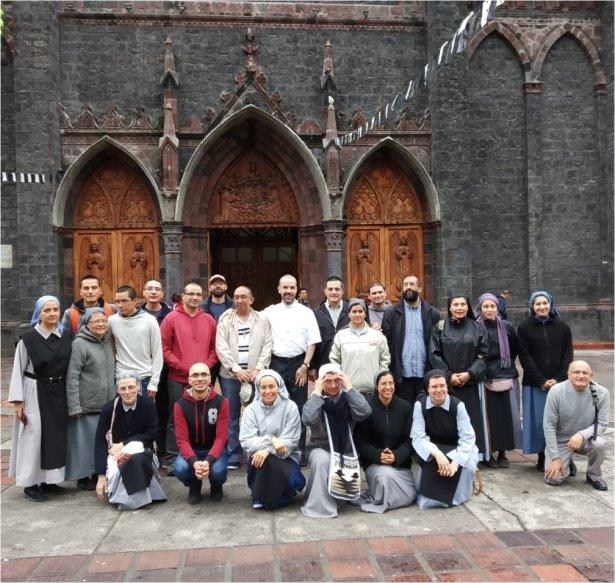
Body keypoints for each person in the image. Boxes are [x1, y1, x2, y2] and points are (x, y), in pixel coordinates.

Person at [9, 296, 72, 502]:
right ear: (39, 313)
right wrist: (18, 402)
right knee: (33, 436)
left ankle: (49, 480)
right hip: (34, 391)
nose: (52, 313)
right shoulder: (27, 339)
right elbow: (18, 369)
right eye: (47, 310)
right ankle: (30, 483)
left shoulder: (65, 336)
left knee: (55, 437)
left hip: (58, 391)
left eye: (55, 309)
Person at [301, 364, 371, 518]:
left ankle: (338, 498)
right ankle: (321, 506)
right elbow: (308, 419)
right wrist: (317, 392)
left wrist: (349, 387)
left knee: (340, 466)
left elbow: (365, 412)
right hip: (320, 447)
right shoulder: (316, 399)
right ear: (321, 382)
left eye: (336, 380)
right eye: (328, 381)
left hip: (344, 449)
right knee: (322, 460)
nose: (333, 385)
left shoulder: (347, 398)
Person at [161, 281, 217, 467]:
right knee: (175, 417)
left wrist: (204, 369)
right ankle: (172, 458)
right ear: (183, 296)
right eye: (190, 294)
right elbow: (164, 348)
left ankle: (201, 455)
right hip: (178, 378)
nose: (194, 297)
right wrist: (184, 369)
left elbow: (214, 349)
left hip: (202, 379)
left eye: (198, 294)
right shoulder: (170, 318)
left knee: (203, 417)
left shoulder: (209, 319)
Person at [216, 286, 273, 470]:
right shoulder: (226, 319)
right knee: (231, 415)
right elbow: (221, 346)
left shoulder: (262, 319)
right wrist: (236, 370)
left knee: (258, 414)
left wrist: (258, 369)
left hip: (256, 375)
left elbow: (268, 345)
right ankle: (234, 454)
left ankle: (256, 451)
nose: (239, 300)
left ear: (251, 299)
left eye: (243, 297)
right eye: (236, 297)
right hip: (230, 376)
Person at [264, 274, 321, 454]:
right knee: (275, 407)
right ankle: (277, 449)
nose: (288, 291)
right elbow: (251, 319)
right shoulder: (270, 312)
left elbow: (312, 342)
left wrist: (305, 366)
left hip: (298, 365)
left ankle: (298, 451)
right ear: (279, 289)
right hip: (276, 364)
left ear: (296, 289)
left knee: (298, 408)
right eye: (285, 287)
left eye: (292, 287)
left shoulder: (306, 312)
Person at [94, 371, 166, 510]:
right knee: (125, 462)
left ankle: (131, 500)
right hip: (116, 456)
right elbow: (100, 443)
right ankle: (137, 498)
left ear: (138, 387)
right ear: (117, 390)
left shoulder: (148, 405)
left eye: (131, 387)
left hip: (144, 454)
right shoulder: (109, 409)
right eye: (123, 388)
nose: (127, 392)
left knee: (135, 460)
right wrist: (101, 476)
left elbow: (152, 434)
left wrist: (124, 444)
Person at [517, 290, 573, 471]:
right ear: (532, 307)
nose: (541, 307)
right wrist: (541, 380)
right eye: (537, 304)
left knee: (562, 421)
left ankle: (567, 457)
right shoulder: (524, 328)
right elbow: (525, 357)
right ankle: (542, 455)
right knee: (540, 421)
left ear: (551, 304)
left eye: (545, 303)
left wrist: (558, 378)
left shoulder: (563, 327)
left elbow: (568, 355)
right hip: (535, 384)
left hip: (560, 383)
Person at [429, 295, 489, 460]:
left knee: (471, 420)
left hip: (470, 383)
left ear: (468, 307)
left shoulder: (477, 327)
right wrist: (448, 376)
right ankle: (448, 454)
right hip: (447, 384)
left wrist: (470, 373)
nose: (459, 308)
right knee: (448, 421)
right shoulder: (439, 327)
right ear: (449, 308)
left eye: (463, 304)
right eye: (456, 304)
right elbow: (434, 354)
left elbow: (484, 354)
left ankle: (473, 455)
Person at [411, 370, 478, 509]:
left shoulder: (458, 405)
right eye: (434, 386)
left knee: (469, 463)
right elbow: (418, 436)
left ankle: (458, 496)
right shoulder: (420, 405)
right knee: (430, 463)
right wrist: (438, 455)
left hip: (457, 448)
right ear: (427, 388)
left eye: (442, 386)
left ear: (447, 386)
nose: (439, 390)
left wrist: (455, 463)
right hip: (432, 448)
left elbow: (467, 438)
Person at [239, 369, 306, 509]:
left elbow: (291, 440)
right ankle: (259, 495)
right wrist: (271, 440)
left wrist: (267, 450)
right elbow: (246, 440)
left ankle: (271, 496)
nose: (268, 391)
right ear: (258, 389)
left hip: (286, 456)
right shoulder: (250, 410)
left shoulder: (290, 407)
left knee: (294, 481)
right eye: (263, 387)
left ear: (279, 387)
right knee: (262, 459)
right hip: (259, 459)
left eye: (271, 386)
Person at [65, 309, 116, 491]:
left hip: (106, 404)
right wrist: (74, 405)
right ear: (86, 324)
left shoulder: (106, 341)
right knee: (84, 443)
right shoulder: (79, 344)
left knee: (101, 442)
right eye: (96, 321)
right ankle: (83, 476)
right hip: (87, 404)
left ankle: (97, 473)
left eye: (104, 321)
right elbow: (72, 375)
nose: (101, 324)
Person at [353, 370, 416, 513]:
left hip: (400, 464)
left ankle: (389, 498)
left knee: (406, 490)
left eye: (391, 383)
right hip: (374, 464)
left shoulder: (405, 407)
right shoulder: (367, 408)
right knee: (385, 476)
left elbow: (410, 440)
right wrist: (378, 455)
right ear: (376, 386)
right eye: (383, 384)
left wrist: (396, 455)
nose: (388, 387)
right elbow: (360, 442)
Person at [544, 361, 609, 491]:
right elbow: (549, 425)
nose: (581, 376)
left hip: (586, 439)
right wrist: (556, 458)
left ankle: (594, 475)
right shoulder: (556, 391)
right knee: (553, 479)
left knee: (599, 443)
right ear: (568, 374)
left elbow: (602, 424)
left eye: (585, 373)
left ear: (591, 375)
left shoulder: (601, 393)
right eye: (576, 372)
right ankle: (567, 463)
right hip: (561, 440)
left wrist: (582, 435)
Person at [172, 363, 229, 504]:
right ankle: (194, 485)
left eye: (204, 374)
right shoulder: (180, 405)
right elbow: (182, 440)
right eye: (195, 375)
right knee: (179, 468)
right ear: (189, 380)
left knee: (218, 472)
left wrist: (208, 461)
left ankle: (216, 485)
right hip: (192, 450)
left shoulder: (222, 402)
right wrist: (194, 462)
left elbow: (221, 437)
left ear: (210, 378)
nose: (200, 378)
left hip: (214, 450)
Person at [475, 293, 521, 468]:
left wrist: (505, 366)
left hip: (506, 375)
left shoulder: (507, 327)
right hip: (485, 377)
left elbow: (513, 350)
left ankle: (503, 452)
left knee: (506, 416)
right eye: (485, 306)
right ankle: (489, 453)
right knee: (489, 418)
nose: (489, 310)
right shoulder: (476, 327)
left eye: (492, 306)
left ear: (497, 308)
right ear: (480, 308)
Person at [382, 275, 440, 404]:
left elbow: (436, 343)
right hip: (401, 376)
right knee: (405, 411)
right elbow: (387, 344)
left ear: (419, 288)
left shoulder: (432, 313)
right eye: (405, 284)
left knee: (424, 411)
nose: (408, 287)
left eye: (412, 284)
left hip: (425, 375)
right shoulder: (391, 313)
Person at [108, 285, 163, 399]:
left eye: (124, 301)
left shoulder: (149, 321)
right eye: (117, 301)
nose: (120, 305)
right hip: (121, 377)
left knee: (145, 411)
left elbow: (157, 352)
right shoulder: (112, 321)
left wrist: (154, 382)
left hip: (144, 377)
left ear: (135, 301)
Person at [140, 279, 173, 468]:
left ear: (162, 293)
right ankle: (144, 451)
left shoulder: (171, 314)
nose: (153, 292)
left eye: (157, 289)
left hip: (166, 369)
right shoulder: (136, 314)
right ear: (143, 292)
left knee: (163, 411)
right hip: (142, 369)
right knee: (143, 411)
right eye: (150, 288)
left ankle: (163, 451)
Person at [329, 298, 390, 395]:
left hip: (373, 390)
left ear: (365, 314)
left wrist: (381, 379)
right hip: (348, 390)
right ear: (349, 314)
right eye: (354, 311)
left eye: (360, 311)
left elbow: (385, 359)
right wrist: (340, 379)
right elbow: (334, 359)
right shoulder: (341, 336)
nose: (357, 314)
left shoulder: (377, 335)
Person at [311, 276, 350, 375]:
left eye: (337, 289)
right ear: (325, 291)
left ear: (342, 291)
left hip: (348, 363)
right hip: (324, 364)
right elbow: (312, 341)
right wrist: (312, 366)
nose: (334, 292)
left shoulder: (352, 310)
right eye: (330, 289)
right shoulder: (316, 314)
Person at [202, 274, 234, 384]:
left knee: (229, 390)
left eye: (221, 283)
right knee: (206, 387)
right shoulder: (202, 308)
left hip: (229, 354)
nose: (218, 286)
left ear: (226, 286)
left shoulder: (234, 307)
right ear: (210, 288)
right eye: (214, 284)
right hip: (209, 353)